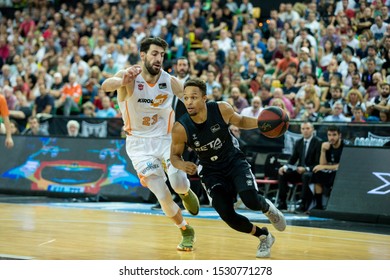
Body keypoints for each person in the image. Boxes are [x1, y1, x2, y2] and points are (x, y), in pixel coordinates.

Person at [101, 37, 199, 252]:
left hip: (165, 138)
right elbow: (105, 85)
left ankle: (184, 192)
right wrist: (121, 81)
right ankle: (185, 229)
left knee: (178, 182)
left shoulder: (168, 80)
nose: (159, 59)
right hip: (138, 144)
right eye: (154, 54)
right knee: (161, 194)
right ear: (143, 55)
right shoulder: (129, 77)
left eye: (162, 55)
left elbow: (190, 98)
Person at [170, 78, 286, 258]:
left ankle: (268, 208)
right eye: (185, 98)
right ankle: (264, 236)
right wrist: (182, 164)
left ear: (204, 98)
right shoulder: (180, 127)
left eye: (193, 97)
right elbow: (174, 157)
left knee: (251, 200)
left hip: (233, 161)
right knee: (226, 214)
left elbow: (240, 121)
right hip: (211, 171)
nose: (189, 102)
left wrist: (262, 123)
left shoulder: (221, 109)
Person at [277, 122, 322, 212]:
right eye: (303, 129)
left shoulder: (318, 142)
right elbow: (293, 159)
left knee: (305, 175)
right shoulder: (299, 142)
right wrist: (285, 166)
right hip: (299, 171)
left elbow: (318, 163)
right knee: (282, 173)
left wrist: (306, 169)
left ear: (312, 130)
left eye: (307, 128)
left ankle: (303, 204)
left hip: (312, 172)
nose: (305, 131)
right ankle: (282, 202)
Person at [311, 125, 344, 210]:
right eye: (329, 135)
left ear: (339, 135)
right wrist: (323, 150)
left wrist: (324, 166)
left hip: (342, 172)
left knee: (335, 175)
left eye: (334, 135)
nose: (331, 138)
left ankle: (333, 205)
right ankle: (319, 205)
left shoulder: (344, 146)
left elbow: (343, 165)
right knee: (317, 173)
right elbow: (322, 163)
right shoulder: (326, 145)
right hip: (331, 170)